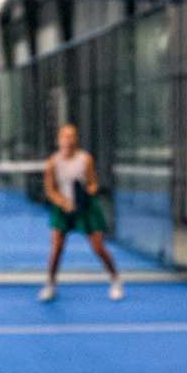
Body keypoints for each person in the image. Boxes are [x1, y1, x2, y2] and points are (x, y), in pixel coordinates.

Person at [40, 123, 122, 302]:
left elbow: (93, 183)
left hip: (86, 209)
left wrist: (85, 195)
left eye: (71, 137)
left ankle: (115, 280)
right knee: (56, 249)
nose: (68, 140)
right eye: (64, 137)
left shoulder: (85, 159)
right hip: (62, 210)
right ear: (58, 140)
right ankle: (50, 285)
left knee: (99, 248)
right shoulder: (52, 162)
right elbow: (50, 190)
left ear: (76, 139)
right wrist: (64, 202)